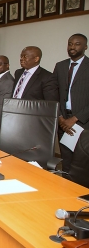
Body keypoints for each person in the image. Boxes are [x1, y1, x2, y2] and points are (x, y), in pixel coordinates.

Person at [53, 33, 88, 174]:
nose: (72, 47)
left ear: (85, 47)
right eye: (70, 44)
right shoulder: (60, 66)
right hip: (62, 121)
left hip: (82, 123)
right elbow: (54, 93)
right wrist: (61, 118)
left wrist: (74, 119)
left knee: (82, 164)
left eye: (77, 44)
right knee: (66, 161)